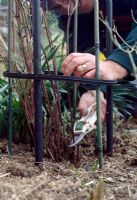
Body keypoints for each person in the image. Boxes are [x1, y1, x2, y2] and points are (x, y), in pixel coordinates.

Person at [48, 0, 137, 119]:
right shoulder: (72, 18)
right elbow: (87, 51)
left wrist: (115, 65)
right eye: (56, 7)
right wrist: (94, 89)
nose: (67, 6)